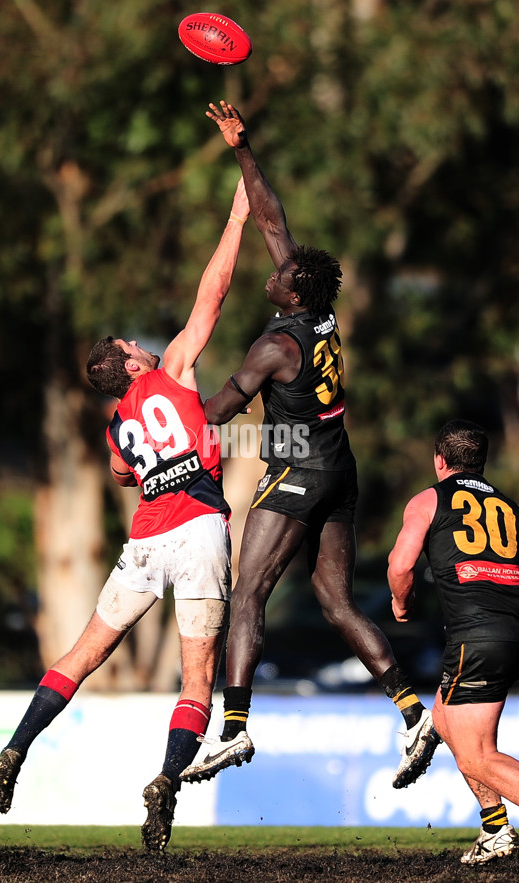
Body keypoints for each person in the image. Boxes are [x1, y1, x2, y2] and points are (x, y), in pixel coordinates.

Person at [0, 178, 250, 852]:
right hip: (197, 530)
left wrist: (151, 465)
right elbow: (211, 293)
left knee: (82, 653)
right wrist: (240, 212)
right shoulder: (173, 373)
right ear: (129, 359)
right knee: (196, 677)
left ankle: (16, 747)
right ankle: (164, 779)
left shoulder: (117, 424)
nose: (146, 345)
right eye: (135, 345)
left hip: (146, 539)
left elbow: (123, 473)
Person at [180, 101, 439, 789]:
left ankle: (233, 730)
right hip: (338, 468)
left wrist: (171, 409)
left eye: (279, 277)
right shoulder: (316, 310)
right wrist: (243, 149)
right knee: (333, 598)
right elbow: (270, 217)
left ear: (294, 293)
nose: (274, 274)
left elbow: (221, 407)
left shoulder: (274, 343)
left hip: (299, 467)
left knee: (247, 595)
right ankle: (414, 712)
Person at [388, 419, 519, 866]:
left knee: (479, 758)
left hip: (474, 637)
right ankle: (496, 829)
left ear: (440, 461)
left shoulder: (430, 498)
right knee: (444, 721)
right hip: (508, 632)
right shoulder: (509, 506)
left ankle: (497, 826)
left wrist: (401, 605)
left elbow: (401, 565)